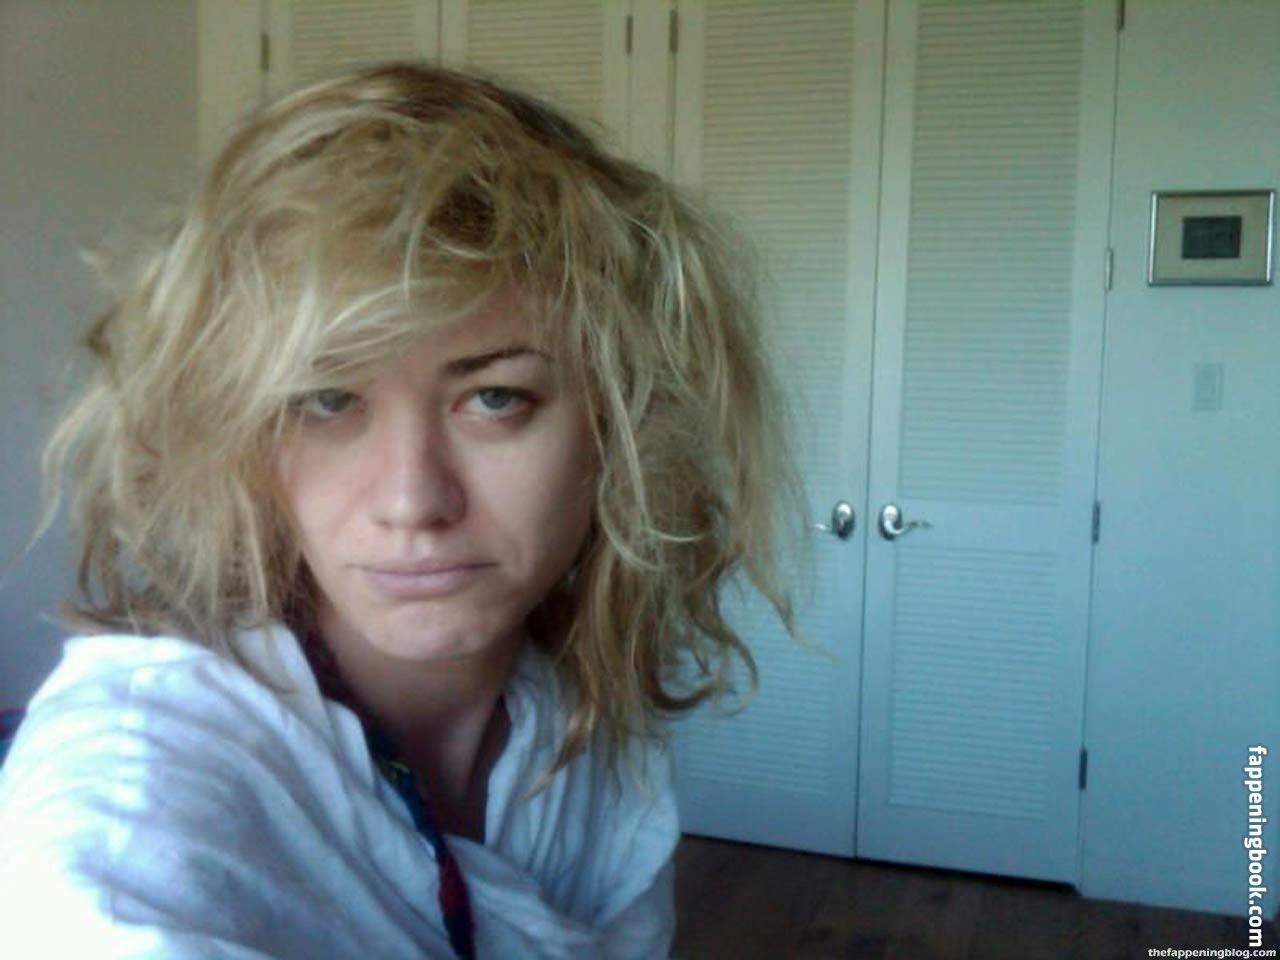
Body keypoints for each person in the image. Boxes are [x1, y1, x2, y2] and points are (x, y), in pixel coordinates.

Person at [0, 62, 810, 958]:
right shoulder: (132, 808)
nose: (411, 501)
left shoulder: (579, 725)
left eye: (496, 399)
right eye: (327, 401)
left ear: (619, 428)